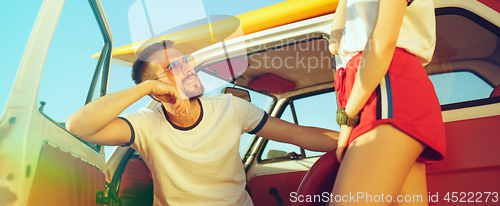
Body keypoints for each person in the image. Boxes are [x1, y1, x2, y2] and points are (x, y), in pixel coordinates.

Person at [66, 40, 339, 206]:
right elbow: (78, 126)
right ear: (155, 84)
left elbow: (300, 136)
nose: (187, 67)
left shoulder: (230, 107)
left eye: (185, 60)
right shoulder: (146, 124)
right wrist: (144, 88)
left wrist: (357, 140)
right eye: (173, 67)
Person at [304, 0, 446, 205]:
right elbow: (336, 44)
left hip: (388, 91)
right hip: (375, 94)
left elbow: (382, 44)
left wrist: (347, 120)